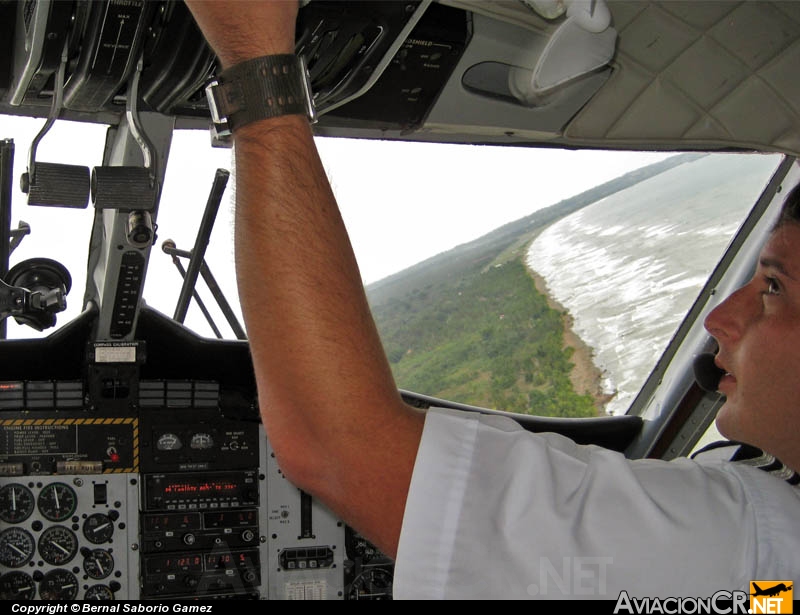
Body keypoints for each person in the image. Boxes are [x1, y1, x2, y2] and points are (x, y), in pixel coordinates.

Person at [185, 1, 800, 599]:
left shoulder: (758, 547)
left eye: (772, 288)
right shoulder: (759, 524)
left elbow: (335, 448)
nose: (719, 318)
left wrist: (255, 54)